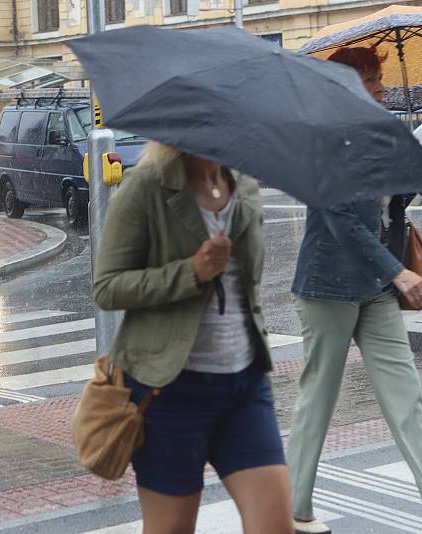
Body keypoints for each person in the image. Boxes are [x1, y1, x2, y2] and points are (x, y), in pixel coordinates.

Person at [93, 142, 293, 534]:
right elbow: (108, 287)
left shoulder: (245, 187)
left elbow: (247, 286)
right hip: (168, 392)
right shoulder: (144, 188)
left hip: (245, 385)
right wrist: (191, 272)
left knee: (275, 526)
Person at [287, 46, 422, 534]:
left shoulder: (379, 135)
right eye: (374, 81)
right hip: (328, 288)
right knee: (318, 398)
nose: (383, 91)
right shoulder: (323, 143)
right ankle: (293, 508)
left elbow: (393, 207)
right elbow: (341, 219)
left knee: (408, 397)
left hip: (376, 288)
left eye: (383, 81)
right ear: (346, 86)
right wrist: (399, 272)